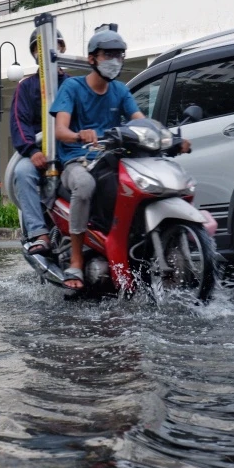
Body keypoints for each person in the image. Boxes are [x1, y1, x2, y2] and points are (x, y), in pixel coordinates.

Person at [50, 26, 145, 290]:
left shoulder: (120, 91)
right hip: (76, 161)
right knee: (85, 186)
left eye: (119, 55)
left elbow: (141, 121)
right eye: (108, 54)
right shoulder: (72, 87)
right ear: (92, 59)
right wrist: (79, 135)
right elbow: (60, 130)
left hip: (110, 159)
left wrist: (166, 136)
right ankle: (77, 260)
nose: (115, 60)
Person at [11, 28, 68, 256]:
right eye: (39, 48)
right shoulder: (26, 87)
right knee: (22, 173)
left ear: (62, 48)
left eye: (54, 45)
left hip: (70, 152)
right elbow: (19, 122)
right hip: (37, 154)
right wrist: (32, 150)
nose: (45, 51)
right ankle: (38, 233)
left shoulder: (74, 84)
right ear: (34, 52)